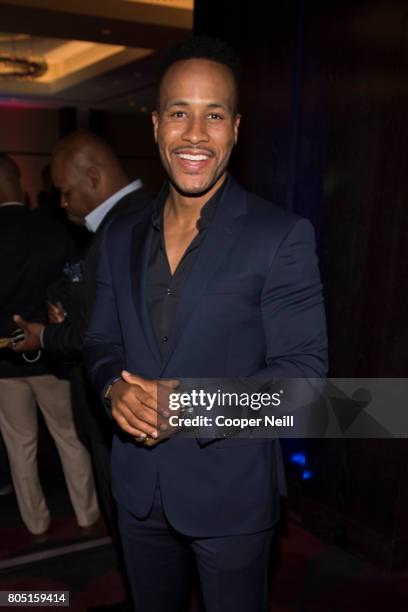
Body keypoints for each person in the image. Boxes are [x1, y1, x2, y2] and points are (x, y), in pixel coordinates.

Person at [84, 36, 328, 612]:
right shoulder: (119, 236)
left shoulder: (280, 236)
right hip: (137, 492)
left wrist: (188, 406)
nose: (195, 134)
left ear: (236, 128)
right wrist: (112, 386)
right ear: (155, 125)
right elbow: (99, 340)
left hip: (232, 497)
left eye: (213, 115)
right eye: (180, 114)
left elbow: (307, 385)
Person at [11, 131, 150, 536]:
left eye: (66, 191)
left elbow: (106, 329)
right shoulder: (122, 221)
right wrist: (65, 305)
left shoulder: (127, 225)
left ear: (93, 177)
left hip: (125, 400)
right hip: (118, 401)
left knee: (132, 523)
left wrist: (48, 336)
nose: (64, 202)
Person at [0, 153, 100, 539]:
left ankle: (36, 523)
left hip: (4, 362)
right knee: (70, 439)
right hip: (50, 353)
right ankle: (88, 516)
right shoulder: (50, 228)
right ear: (19, 183)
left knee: (20, 447)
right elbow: (74, 284)